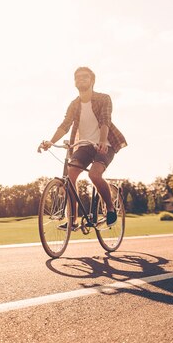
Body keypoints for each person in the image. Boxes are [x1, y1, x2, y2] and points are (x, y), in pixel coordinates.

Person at [38, 66, 127, 229]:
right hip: (84, 145)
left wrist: (101, 141)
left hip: (105, 144)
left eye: (85, 77)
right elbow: (65, 125)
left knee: (94, 174)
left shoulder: (103, 98)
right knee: (70, 176)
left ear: (92, 81)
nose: (81, 79)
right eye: (77, 77)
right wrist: (50, 141)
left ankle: (110, 208)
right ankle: (72, 220)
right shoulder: (74, 104)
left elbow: (105, 120)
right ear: (74, 83)